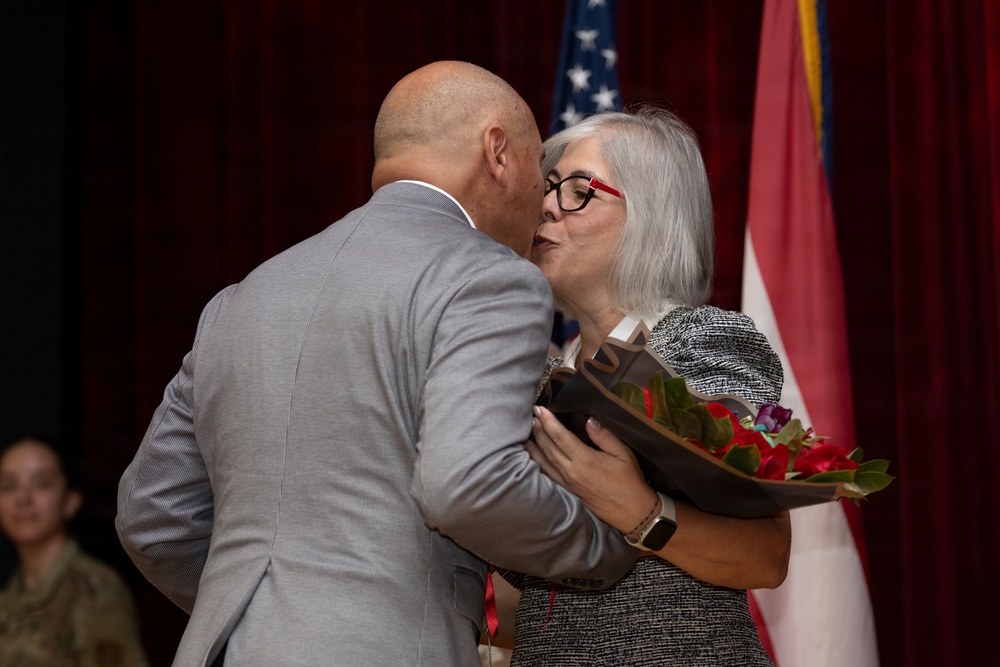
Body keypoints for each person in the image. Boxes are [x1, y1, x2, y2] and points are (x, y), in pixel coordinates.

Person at [115, 61, 638, 667]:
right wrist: (611, 542)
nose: (539, 204)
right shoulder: (489, 279)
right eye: (539, 176)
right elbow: (468, 487)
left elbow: (152, 517)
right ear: (498, 152)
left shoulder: (240, 299)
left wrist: (273, 619)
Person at [494, 108, 790, 666]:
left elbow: (766, 556)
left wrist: (642, 511)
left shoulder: (708, 345)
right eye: (549, 187)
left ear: (652, 219)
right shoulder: (530, 377)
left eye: (580, 191)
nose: (547, 206)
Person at [0, 436, 149, 667]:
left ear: (71, 500)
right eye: (9, 486)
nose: (23, 498)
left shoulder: (95, 589)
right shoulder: (10, 597)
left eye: (42, 484)